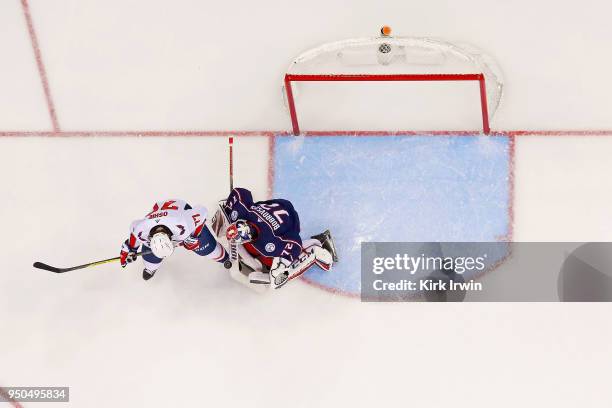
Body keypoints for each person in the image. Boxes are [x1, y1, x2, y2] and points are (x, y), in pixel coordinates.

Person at [215, 187, 337, 289]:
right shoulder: (241, 212)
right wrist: (229, 206)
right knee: (259, 254)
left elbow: (295, 243)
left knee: (274, 274)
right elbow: (240, 192)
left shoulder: (269, 242)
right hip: (275, 207)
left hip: (289, 220)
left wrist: (283, 265)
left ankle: (319, 246)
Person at [120, 199, 230, 280]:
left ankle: (226, 259)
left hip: (179, 211)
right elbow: (133, 235)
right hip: (164, 219)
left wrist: (195, 236)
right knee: (150, 258)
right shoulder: (140, 229)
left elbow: (202, 210)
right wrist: (129, 249)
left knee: (206, 247)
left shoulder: (184, 222)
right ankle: (151, 267)